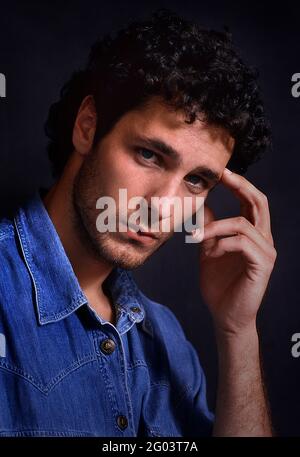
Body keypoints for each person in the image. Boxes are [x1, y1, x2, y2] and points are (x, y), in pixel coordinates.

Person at [0, 9, 277, 437]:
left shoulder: (169, 341)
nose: (162, 205)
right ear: (88, 126)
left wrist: (238, 331)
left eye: (196, 180)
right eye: (149, 154)